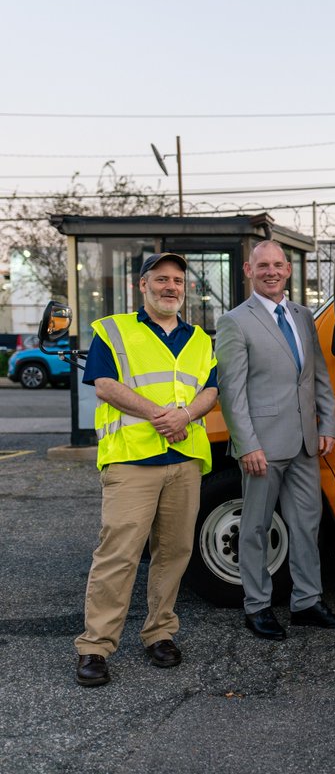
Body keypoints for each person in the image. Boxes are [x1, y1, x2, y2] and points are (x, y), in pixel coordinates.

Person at [74, 252, 219, 687]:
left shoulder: (199, 339)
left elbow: (211, 390)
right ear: (143, 285)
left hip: (184, 461)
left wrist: (186, 415)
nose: (170, 286)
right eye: (161, 279)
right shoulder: (114, 331)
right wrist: (163, 414)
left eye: (177, 280)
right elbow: (105, 385)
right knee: (117, 555)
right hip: (131, 461)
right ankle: (95, 647)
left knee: (174, 553)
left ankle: (159, 633)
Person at [216, 240, 335, 641]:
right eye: (263, 266)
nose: (271, 271)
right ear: (248, 270)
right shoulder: (235, 322)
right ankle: (257, 607)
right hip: (262, 447)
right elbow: (232, 391)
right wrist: (247, 445)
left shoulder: (302, 315)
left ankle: (307, 602)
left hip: (305, 444)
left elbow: (317, 377)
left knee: (307, 526)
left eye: (278, 265)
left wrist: (326, 424)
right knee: (255, 528)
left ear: (288, 270)